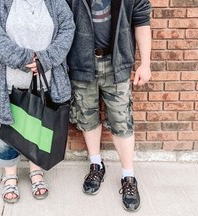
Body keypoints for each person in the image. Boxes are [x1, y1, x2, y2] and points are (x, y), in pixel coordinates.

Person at [0, 0, 75, 203]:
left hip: (43, 81)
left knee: (39, 127)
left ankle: (36, 171)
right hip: (8, 81)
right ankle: (10, 176)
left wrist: (45, 59)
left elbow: (67, 28)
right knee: (7, 130)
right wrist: (24, 59)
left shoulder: (55, 3)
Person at [66, 0, 151, 212]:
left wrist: (145, 63)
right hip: (82, 63)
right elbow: (60, 22)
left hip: (117, 63)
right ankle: (96, 164)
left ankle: (128, 176)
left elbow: (142, 22)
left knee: (122, 121)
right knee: (87, 117)